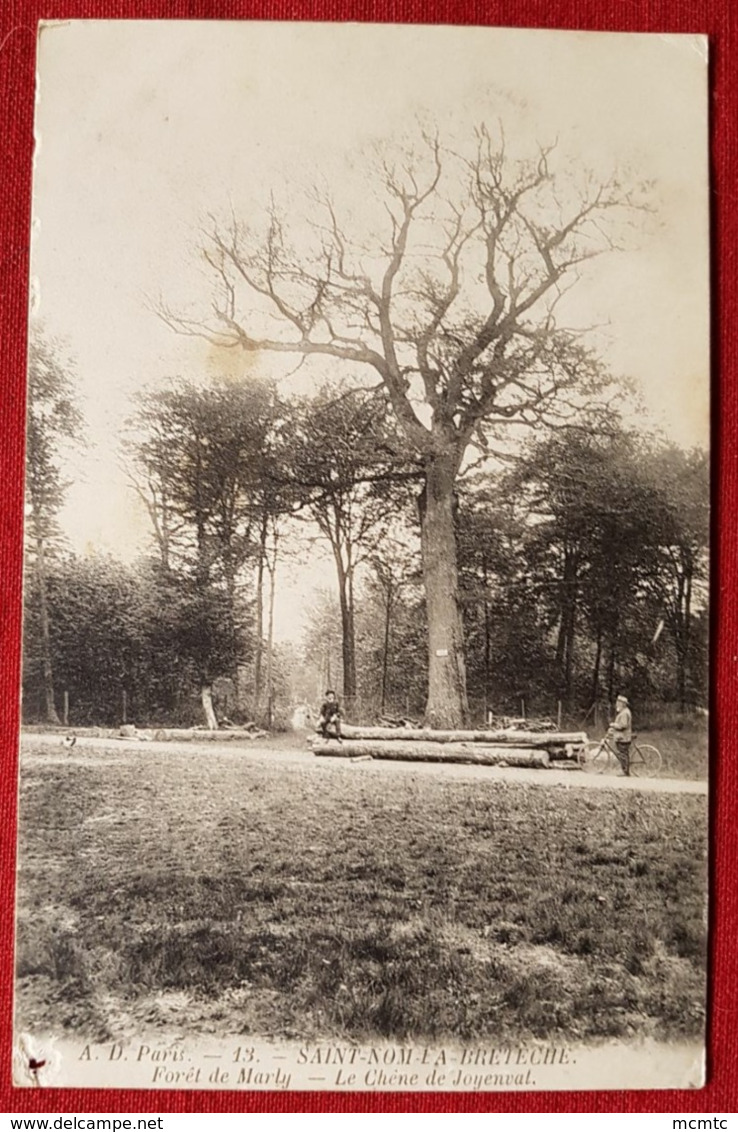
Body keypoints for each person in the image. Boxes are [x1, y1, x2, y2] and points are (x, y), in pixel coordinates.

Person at [608, 694, 632, 776]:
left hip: (623, 737)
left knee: (623, 754)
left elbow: (623, 725)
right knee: (623, 753)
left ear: (623, 704)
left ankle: (624, 771)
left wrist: (614, 725)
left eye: (618, 703)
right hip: (622, 737)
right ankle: (626, 770)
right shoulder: (624, 712)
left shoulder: (624, 713)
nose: (617, 704)